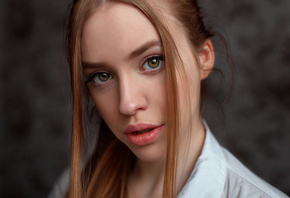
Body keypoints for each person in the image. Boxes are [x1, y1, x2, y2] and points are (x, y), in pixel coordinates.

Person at [51, 0, 288, 197]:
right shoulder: (74, 187)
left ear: (203, 58)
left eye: (153, 61)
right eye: (101, 76)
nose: (128, 104)